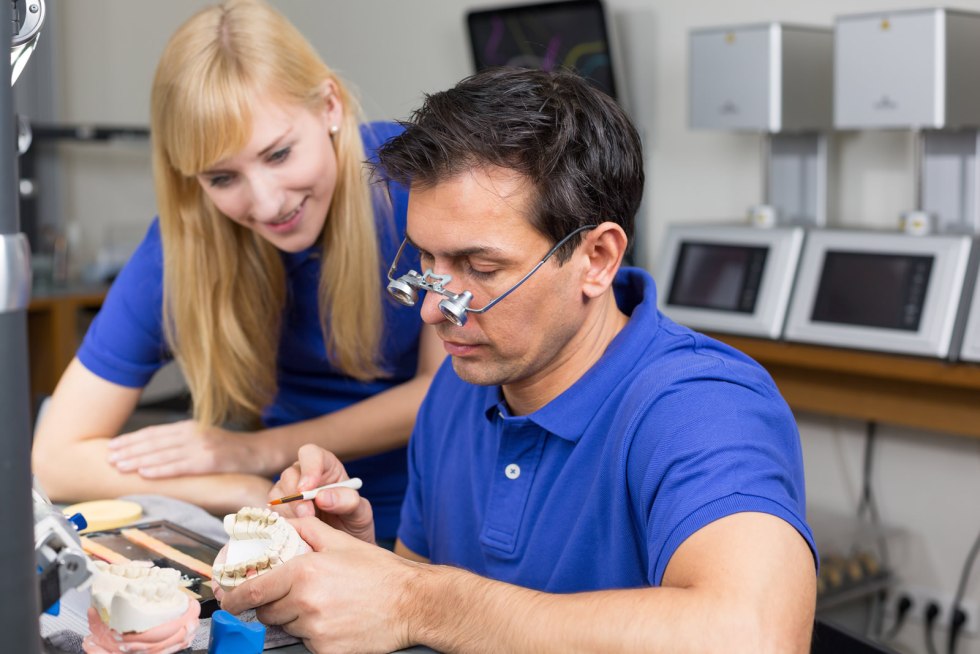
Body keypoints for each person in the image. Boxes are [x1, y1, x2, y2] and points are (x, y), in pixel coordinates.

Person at [219, 67, 818, 652]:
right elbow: (428, 614)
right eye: (426, 261)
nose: (432, 313)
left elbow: (757, 635)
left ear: (598, 258)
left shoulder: (703, 406)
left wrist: (414, 598)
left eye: (480, 269)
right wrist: (360, 566)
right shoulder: (459, 387)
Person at [30, 0, 442, 542]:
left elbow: (440, 390)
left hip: (437, 520)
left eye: (278, 154)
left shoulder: (419, 183)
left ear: (330, 107)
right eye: (222, 178)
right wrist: (237, 484)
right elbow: (54, 459)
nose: (268, 204)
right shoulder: (186, 243)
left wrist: (255, 451)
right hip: (296, 521)